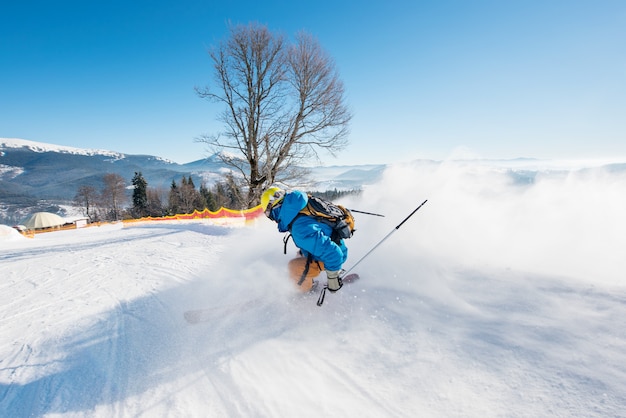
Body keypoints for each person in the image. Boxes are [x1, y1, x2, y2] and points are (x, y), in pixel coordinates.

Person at [261, 187, 348, 292]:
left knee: (294, 268)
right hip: (334, 245)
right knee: (299, 255)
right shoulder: (298, 207)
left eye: (268, 214)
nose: (272, 219)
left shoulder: (300, 229)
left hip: (335, 255)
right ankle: (309, 276)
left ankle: (307, 291)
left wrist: (333, 279)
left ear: (274, 207)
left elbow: (334, 254)